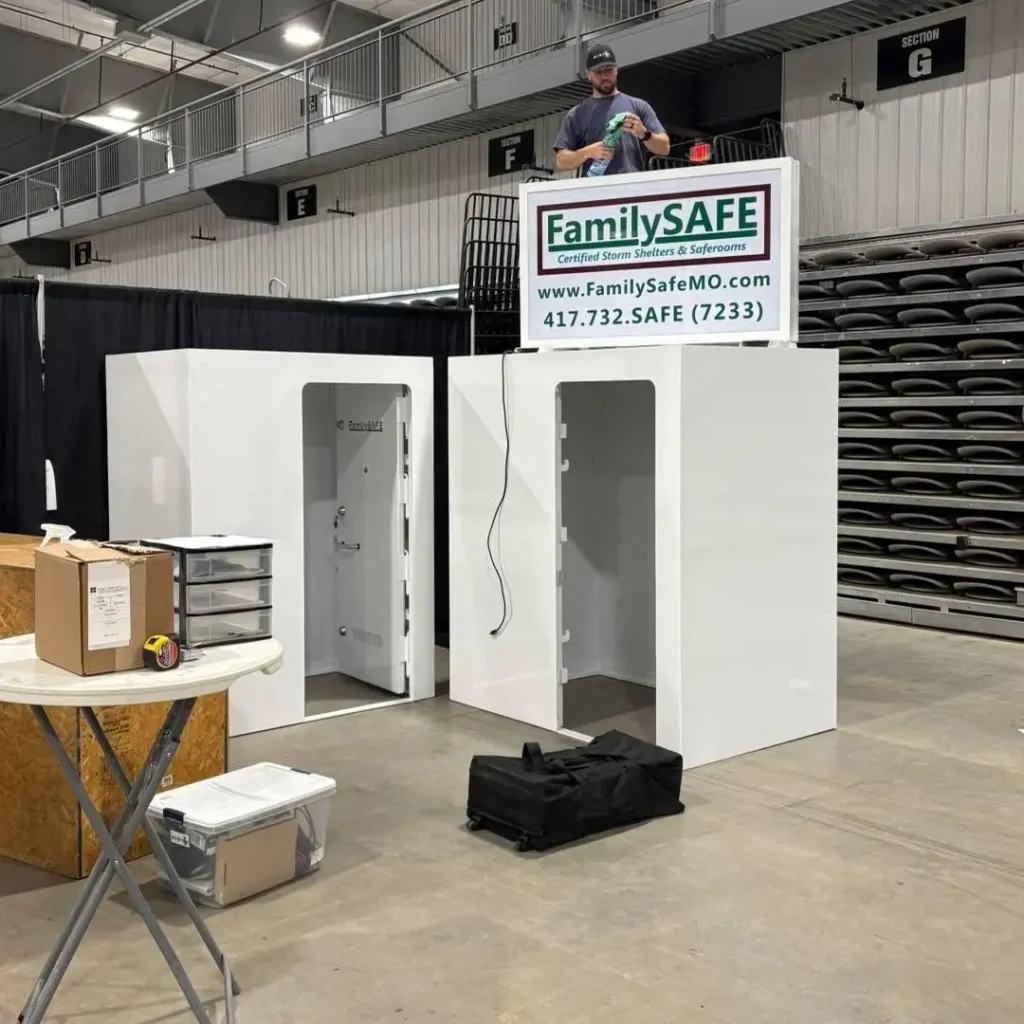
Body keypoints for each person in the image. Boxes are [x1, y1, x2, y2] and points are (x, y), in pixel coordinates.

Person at [553, 43, 670, 176]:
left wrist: (644, 134)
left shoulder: (639, 106)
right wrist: (587, 153)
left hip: (632, 189)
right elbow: (561, 161)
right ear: (588, 75)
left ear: (616, 70)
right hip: (595, 193)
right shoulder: (577, 114)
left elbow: (664, 147)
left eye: (608, 70)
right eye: (598, 72)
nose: (604, 76)